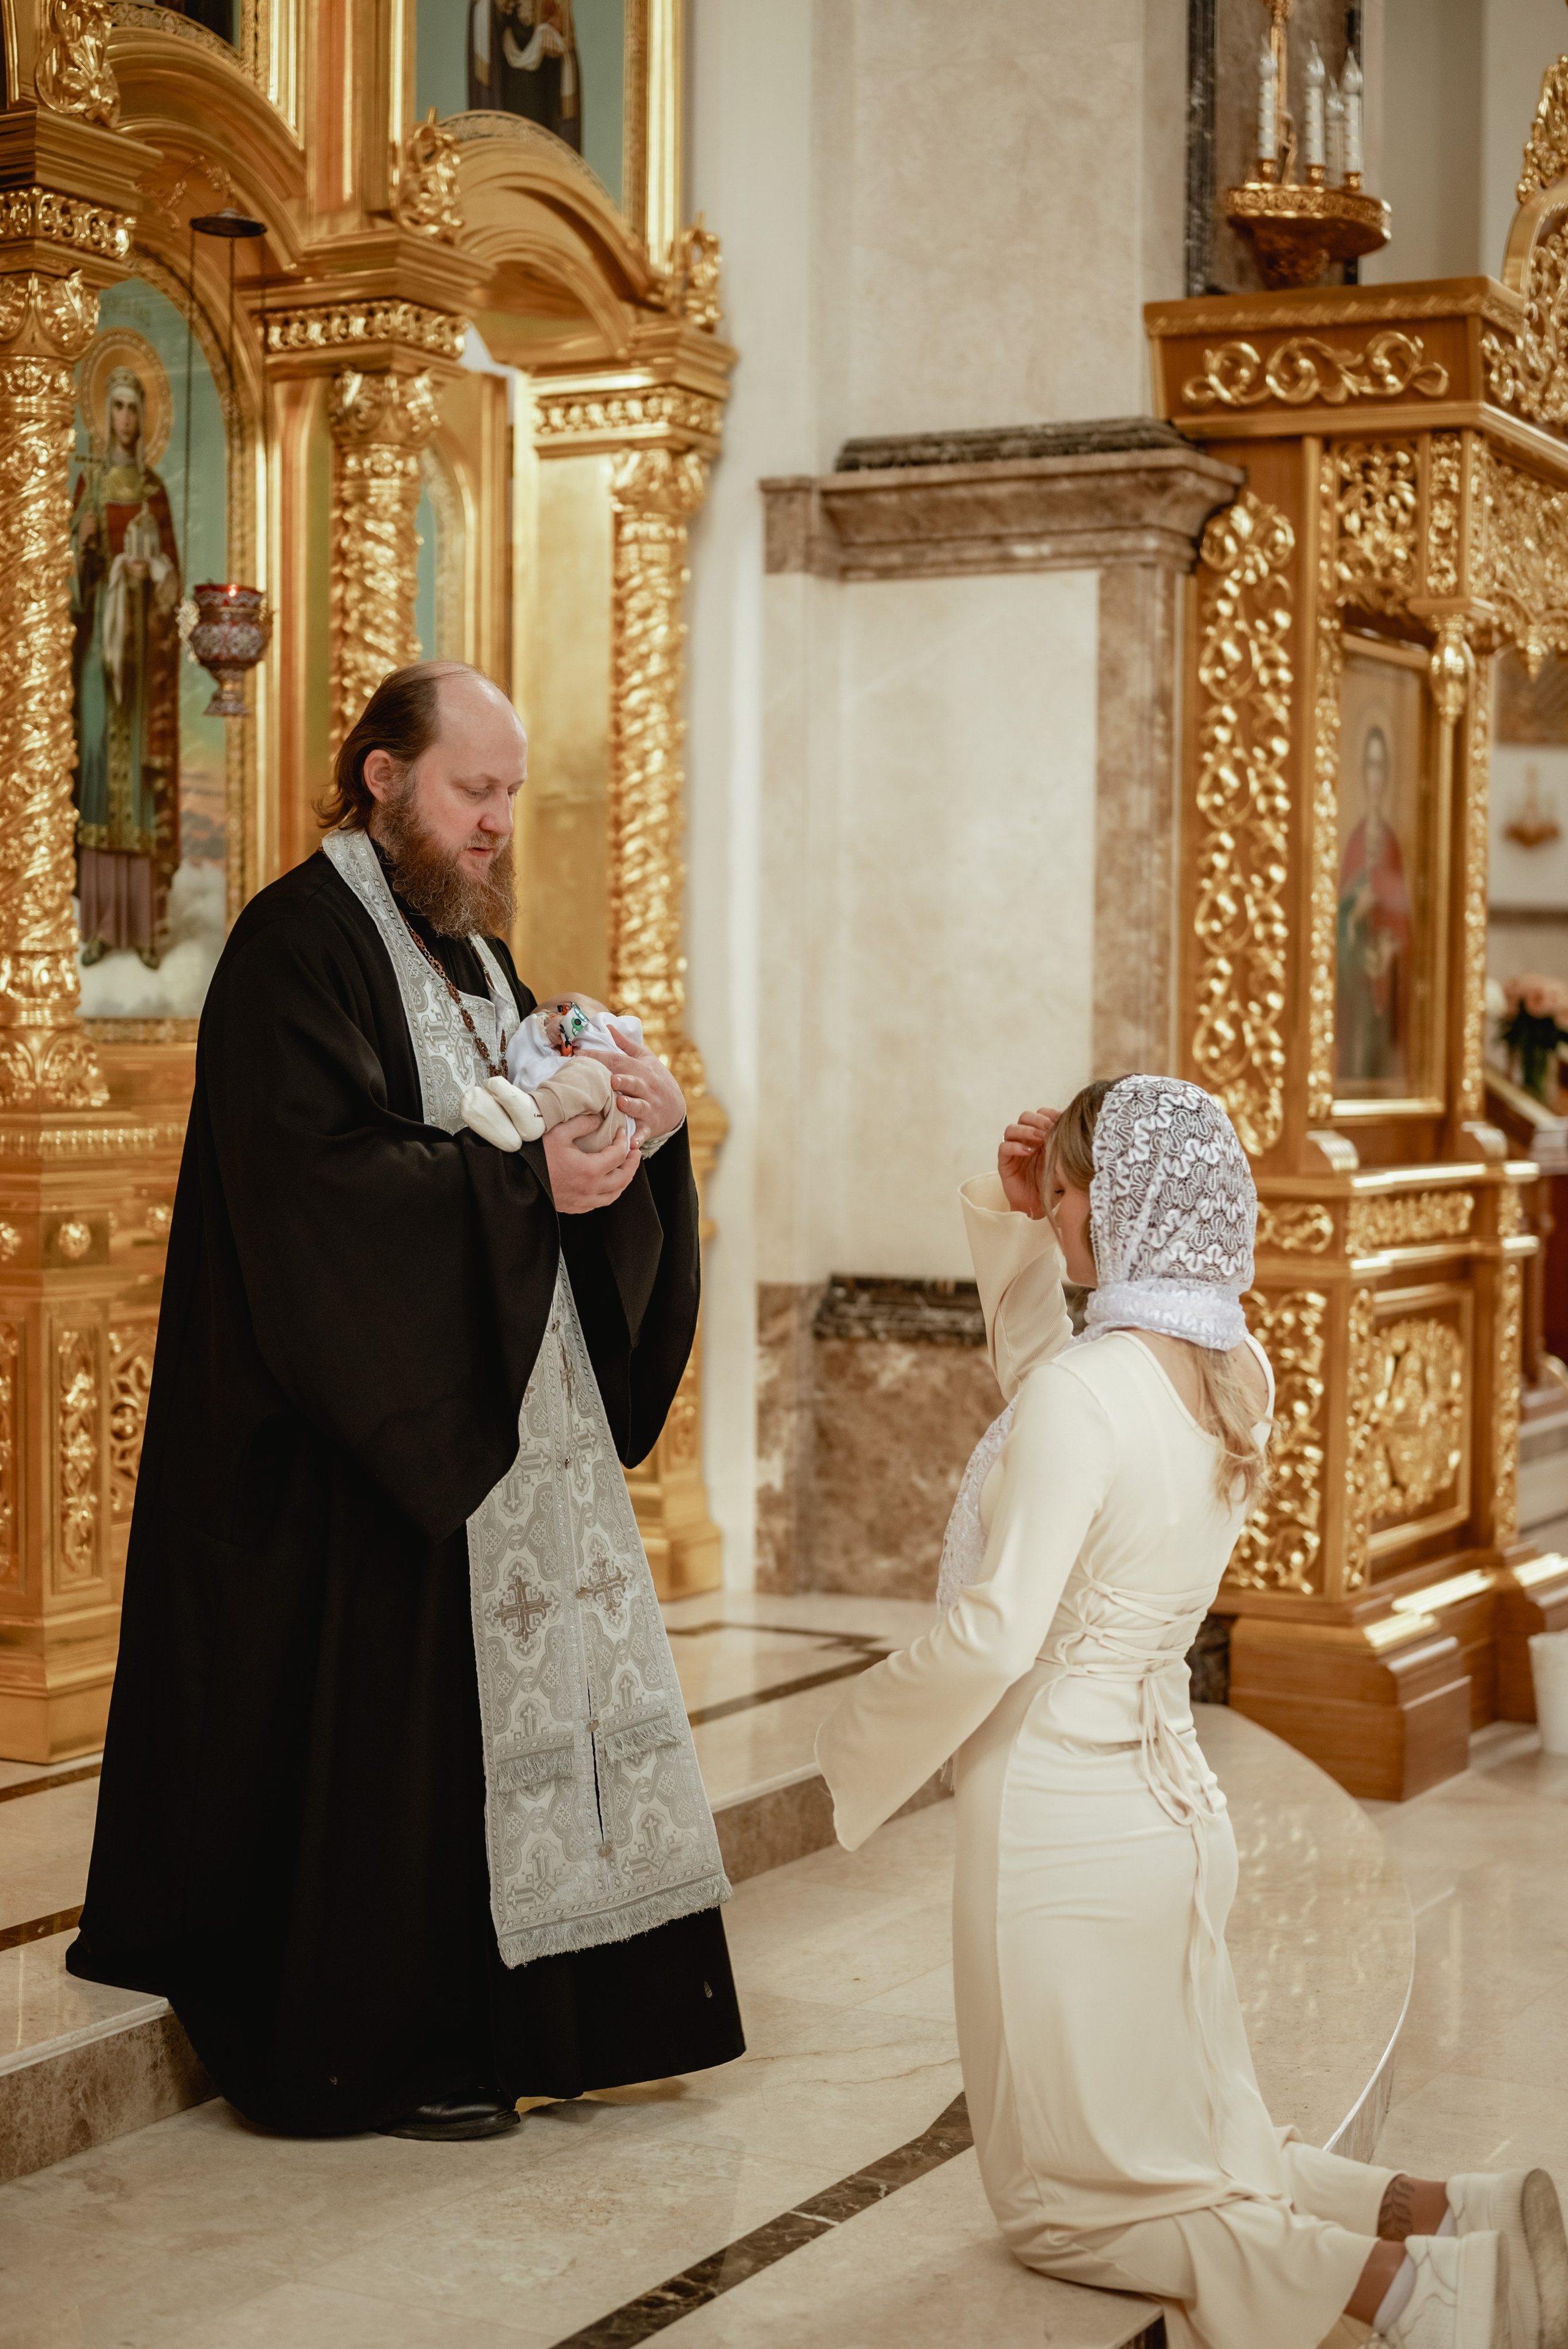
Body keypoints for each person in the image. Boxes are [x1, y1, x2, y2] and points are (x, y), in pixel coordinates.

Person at [69, 660, 744, 2141]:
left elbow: (512, 1133)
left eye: (507, 793)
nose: (498, 821)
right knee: (406, 1742)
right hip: (354, 1443)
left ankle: (562, 2007)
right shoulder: (291, 945)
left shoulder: (474, 963)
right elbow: (317, 1191)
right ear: (381, 775)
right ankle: (394, 2031)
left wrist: (630, 1134)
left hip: (502, 1419)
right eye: (472, 790)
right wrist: (519, 1189)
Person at [816, 1074, 1566, 2349]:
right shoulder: (1227, 1375)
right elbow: (1054, 1405)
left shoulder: (1087, 1394)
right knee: (1194, 2151)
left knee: (1066, 2209)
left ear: (1106, 1210)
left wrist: (848, 1738)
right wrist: (1020, 1219)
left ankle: (1413, 2296)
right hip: (1167, 1809)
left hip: (1055, 1820)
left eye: (1058, 1199)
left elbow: (998, 1625)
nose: (1049, 1220)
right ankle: (1449, 2210)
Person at [71, 365, 183, 968]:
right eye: (116, 407)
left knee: (138, 783)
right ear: (104, 414)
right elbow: (68, 580)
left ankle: (142, 926)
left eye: (133, 408)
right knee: (96, 782)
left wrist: (156, 573)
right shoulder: (88, 489)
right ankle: (98, 926)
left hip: (145, 658)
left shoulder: (154, 488)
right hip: (98, 660)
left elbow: (176, 579)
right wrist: (84, 545)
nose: (125, 419)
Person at [1336, 722, 1412, 1086]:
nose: (1375, 775)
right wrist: (1354, 913)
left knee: (1382, 1061)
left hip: (1387, 975)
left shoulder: (1392, 843)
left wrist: (1390, 946)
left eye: (1381, 766)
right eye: (1370, 764)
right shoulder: (1354, 839)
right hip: (1354, 982)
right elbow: (1337, 912)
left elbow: (1405, 915)